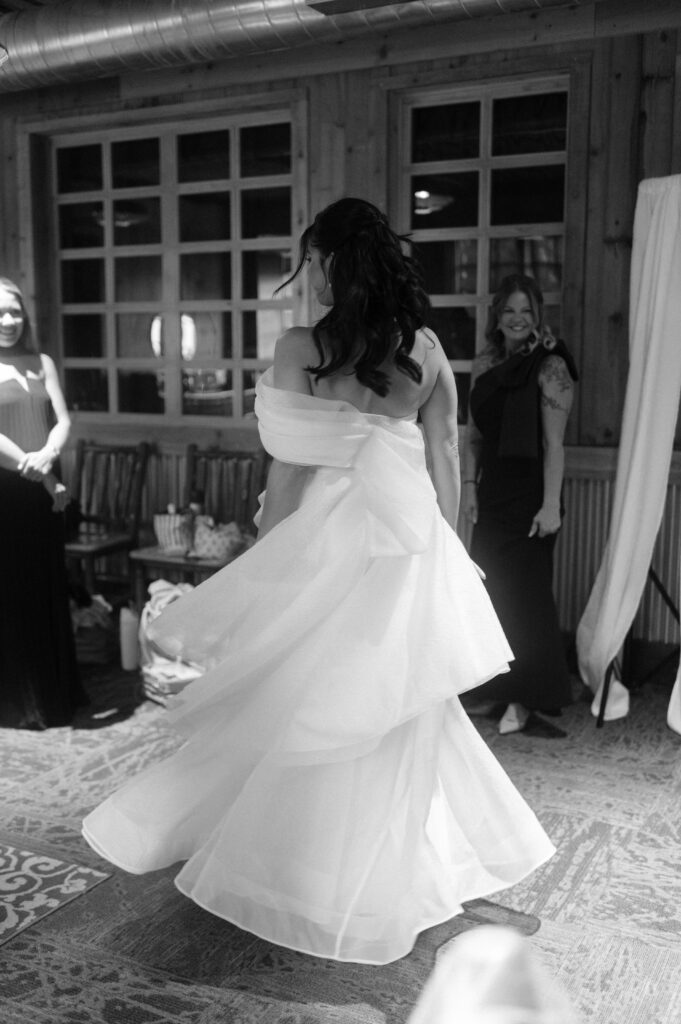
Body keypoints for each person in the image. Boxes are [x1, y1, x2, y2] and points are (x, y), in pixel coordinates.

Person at [82, 199, 554, 965]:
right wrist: (448, 547)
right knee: (397, 708)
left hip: (331, 543)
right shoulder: (426, 349)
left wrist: (268, 556)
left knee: (312, 700)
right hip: (408, 549)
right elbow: (444, 462)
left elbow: (293, 467)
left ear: (328, 263)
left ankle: (304, 869)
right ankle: (388, 865)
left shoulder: (302, 346)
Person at [463, 274, 578, 736]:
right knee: (489, 594)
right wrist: (469, 486)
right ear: (497, 314)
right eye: (509, 310)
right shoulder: (484, 363)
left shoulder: (552, 366)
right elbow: (473, 435)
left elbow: (555, 445)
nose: (517, 318)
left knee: (528, 601)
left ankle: (526, 698)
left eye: (526, 311)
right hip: (491, 494)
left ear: (537, 316)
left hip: (533, 497)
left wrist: (551, 505)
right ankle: (492, 687)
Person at [0, 276, 85, 728]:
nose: (8, 320)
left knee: (46, 584)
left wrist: (50, 455)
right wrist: (43, 475)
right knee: (8, 589)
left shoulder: (41, 361)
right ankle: (15, 701)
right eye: (0, 312)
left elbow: (63, 419)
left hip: (42, 489)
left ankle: (54, 695)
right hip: (6, 492)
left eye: (14, 311)